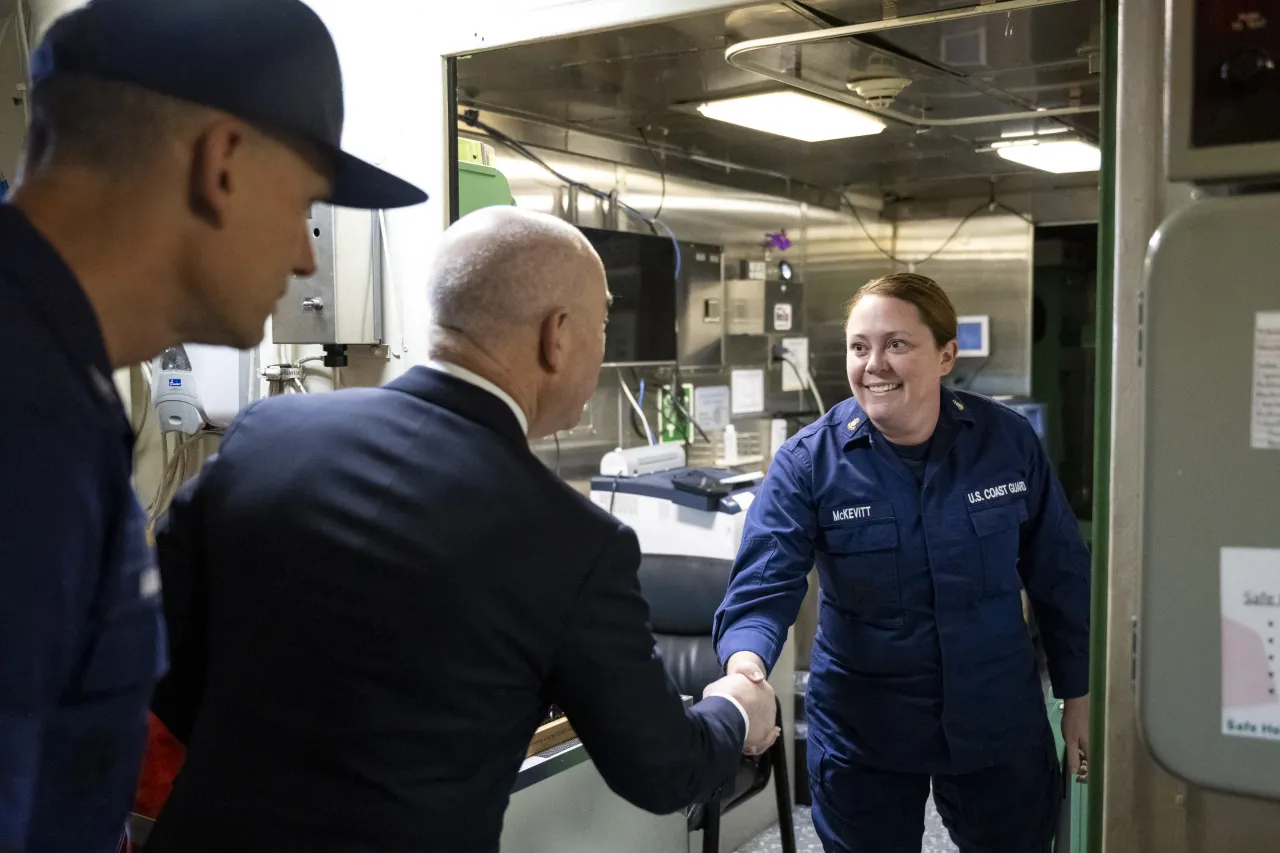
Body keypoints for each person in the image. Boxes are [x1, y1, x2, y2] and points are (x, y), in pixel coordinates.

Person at [143, 206, 779, 853]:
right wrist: (735, 711)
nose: (602, 344)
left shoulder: (264, 435)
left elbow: (158, 660)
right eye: (602, 324)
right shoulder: (569, 540)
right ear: (557, 335)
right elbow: (663, 768)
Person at [0, 0, 426, 850]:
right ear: (222, 163)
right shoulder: (26, 421)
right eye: (307, 203)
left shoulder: (58, 376)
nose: (308, 257)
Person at [714, 272, 1091, 853]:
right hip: (867, 730)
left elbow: (1061, 575)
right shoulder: (808, 462)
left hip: (996, 718)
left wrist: (1081, 695)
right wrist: (747, 672)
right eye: (859, 347)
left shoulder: (1006, 442)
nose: (874, 365)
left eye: (897, 344)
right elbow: (765, 584)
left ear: (945, 354)